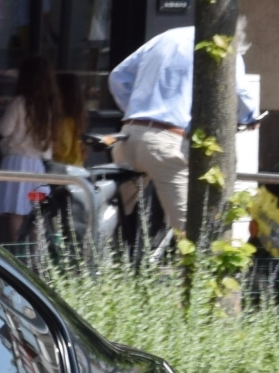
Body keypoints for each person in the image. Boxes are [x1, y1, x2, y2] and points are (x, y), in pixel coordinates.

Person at [106, 25, 260, 239]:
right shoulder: (223, 45)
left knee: (112, 217)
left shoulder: (164, 37)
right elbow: (242, 92)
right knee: (192, 232)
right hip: (166, 143)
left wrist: (138, 109)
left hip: (129, 135)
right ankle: (196, 269)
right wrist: (250, 118)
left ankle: (97, 259)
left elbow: (118, 76)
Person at [0, 57, 63, 241]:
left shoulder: (19, 102)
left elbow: (3, 129)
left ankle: (17, 253)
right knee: (37, 211)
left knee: (16, 211)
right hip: (39, 167)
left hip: (16, 163)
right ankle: (36, 257)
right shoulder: (52, 106)